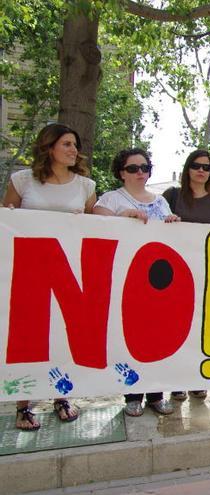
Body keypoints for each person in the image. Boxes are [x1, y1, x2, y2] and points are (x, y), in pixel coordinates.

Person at [3, 123, 95, 430]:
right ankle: (23, 405)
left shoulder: (86, 186)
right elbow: (7, 219)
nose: (73, 150)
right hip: (28, 272)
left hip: (69, 273)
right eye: (67, 144)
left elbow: (98, 229)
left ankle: (61, 396)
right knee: (28, 336)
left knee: (64, 336)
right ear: (49, 147)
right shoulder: (23, 180)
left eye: (75, 144)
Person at [94, 148, 179, 416]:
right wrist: (122, 218)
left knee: (157, 338)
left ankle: (156, 394)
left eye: (144, 168)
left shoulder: (160, 202)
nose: (140, 172)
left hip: (158, 282)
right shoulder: (111, 199)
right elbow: (94, 222)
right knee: (129, 336)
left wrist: (172, 222)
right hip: (125, 279)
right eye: (133, 168)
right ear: (122, 172)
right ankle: (132, 396)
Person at [162, 150, 210, 401]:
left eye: (206, 167)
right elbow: (155, 225)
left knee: (199, 328)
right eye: (196, 166)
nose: (201, 170)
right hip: (172, 273)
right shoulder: (172, 196)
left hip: (205, 273)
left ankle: (195, 380)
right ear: (188, 169)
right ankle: (176, 381)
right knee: (174, 328)